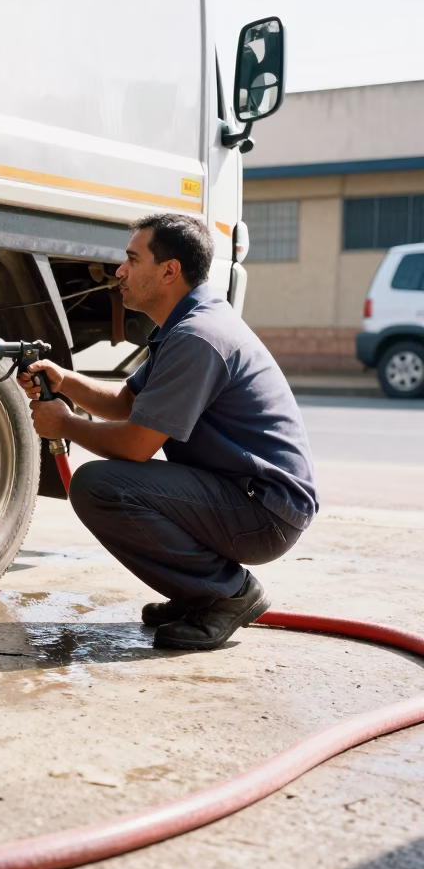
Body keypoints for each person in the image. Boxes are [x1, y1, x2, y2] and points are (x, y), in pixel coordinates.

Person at [19, 213, 317, 651]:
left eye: (132, 259)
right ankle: (199, 593)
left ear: (169, 270)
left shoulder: (198, 336)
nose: (119, 271)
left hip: (263, 513)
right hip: (245, 496)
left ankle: (226, 594)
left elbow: (137, 446)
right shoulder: (187, 325)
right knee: (108, 483)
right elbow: (127, 402)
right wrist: (66, 381)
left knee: (100, 485)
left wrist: (65, 423)